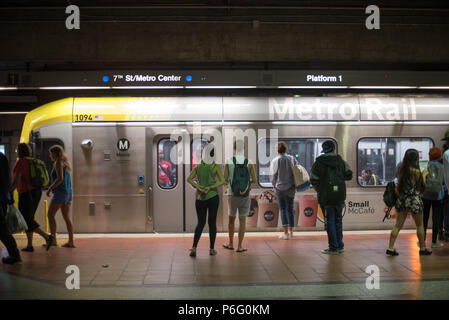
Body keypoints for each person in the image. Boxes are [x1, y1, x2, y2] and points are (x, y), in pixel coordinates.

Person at [387, 149, 432, 256]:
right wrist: (424, 175)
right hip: (414, 201)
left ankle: (390, 248)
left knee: (397, 226)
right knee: (420, 225)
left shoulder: (400, 170)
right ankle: (422, 248)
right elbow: (422, 188)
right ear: (415, 159)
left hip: (402, 200)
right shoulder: (416, 172)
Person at [310, 140, 352, 254]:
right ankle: (339, 245)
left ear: (324, 150)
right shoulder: (341, 161)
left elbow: (313, 180)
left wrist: (320, 190)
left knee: (330, 222)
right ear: (333, 148)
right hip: (339, 195)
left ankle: (333, 247)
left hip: (326, 197)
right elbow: (349, 175)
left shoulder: (318, 163)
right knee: (338, 220)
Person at [11, 143, 53, 252]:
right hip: (36, 192)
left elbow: (16, 181)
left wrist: (9, 191)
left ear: (20, 151)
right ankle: (30, 245)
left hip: (26, 193)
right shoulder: (32, 161)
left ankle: (47, 237)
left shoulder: (20, 162)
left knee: (26, 219)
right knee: (28, 218)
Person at [187, 143, 225, 257]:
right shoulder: (215, 166)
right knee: (212, 223)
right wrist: (211, 187)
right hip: (213, 196)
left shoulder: (198, 166)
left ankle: (194, 248)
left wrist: (198, 187)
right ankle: (212, 249)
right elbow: (222, 181)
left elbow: (189, 179)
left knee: (200, 223)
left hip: (200, 198)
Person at [223, 140, 257, 253]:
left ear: (234, 148)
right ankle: (240, 246)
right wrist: (245, 183)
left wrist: (233, 182)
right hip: (245, 195)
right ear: (243, 148)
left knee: (231, 219)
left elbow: (225, 180)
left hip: (232, 194)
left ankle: (231, 243)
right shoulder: (249, 162)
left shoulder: (229, 161)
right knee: (242, 220)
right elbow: (254, 180)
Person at [46, 145, 75, 248]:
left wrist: (50, 188)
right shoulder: (65, 163)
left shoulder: (58, 162)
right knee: (67, 218)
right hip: (68, 193)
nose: (50, 155)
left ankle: (53, 241)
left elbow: (60, 179)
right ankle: (71, 241)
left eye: (51, 153)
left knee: (50, 215)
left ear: (54, 153)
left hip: (60, 193)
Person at [270, 141, 296, 240]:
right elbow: (297, 170)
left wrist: (274, 186)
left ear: (277, 150)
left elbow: (273, 177)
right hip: (291, 188)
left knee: (283, 209)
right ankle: (291, 231)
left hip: (280, 188)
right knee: (290, 208)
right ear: (285, 149)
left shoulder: (275, 160)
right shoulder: (292, 158)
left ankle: (285, 233)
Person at [421, 147, 445, 248]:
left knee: (424, 219)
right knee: (436, 219)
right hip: (437, 196)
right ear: (439, 155)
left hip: (425, 195)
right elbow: (444, 182)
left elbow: (422, 179)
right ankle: (434, 242)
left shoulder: (426, 166)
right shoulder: (442, 167)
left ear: (430, 155)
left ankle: (422, 241)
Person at [0, 152, 21, 264]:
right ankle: (14, 254)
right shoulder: (2, 157)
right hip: (3, 197)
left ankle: (15, 255)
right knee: (2, 229)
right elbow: (6, 179)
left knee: (2, 229)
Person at [442, 131, 449, 241]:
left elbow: (447, 174)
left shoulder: (447, 154)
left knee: (447, 211)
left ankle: (447, 232)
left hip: (448, 190)